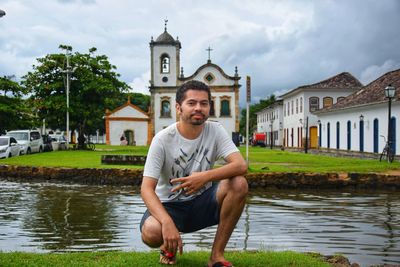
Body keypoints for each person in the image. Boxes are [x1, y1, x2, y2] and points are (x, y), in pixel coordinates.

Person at [140, 80, 248, 267]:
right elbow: (146, 189)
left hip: (202, 203)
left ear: (209, 107)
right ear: (178, 108)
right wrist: (166, 222)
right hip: (169, 205)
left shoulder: (215, 130)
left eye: (204, 103)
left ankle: (216, 256)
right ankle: (168, 247)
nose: (198, 108)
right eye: (191, 103)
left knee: (239, 183)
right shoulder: (162, 140)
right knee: (151, 232)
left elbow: (240, 165)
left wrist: (204, 177)